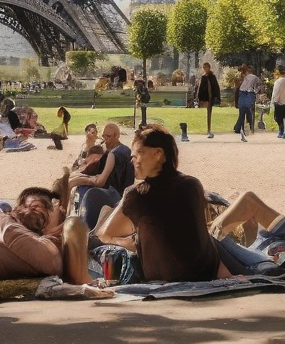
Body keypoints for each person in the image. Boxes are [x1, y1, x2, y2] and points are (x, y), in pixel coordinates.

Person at [96, 125, 230, 282]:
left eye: (139, 153)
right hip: (204, 273)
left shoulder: (138, 194)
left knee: (97, 243)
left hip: (168, 279)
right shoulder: (193, 185)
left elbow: (104, 234)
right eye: (133, 157)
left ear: (158, 154)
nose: (134, 161)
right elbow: (200, 239)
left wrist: (128, 243)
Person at [69, 122, 134, 229]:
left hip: (116, 193)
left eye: (109, 136)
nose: (106, 139)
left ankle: (81, 227)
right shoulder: (126, 150)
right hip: (123, 193)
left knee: (84, 189)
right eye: (104, 136)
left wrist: (80, 180)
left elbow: (101, 181)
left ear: (117, 136)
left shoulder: (113, 154)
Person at [234, 65, 262, 142]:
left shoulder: (243, 78)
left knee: (242, 112)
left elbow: (237, 89)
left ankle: (241, 128)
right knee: (249, 111)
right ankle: (248, 128)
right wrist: (255, 92)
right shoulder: (255, 78)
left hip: (243, 93)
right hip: (249, 93)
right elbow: (259, 86)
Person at [197, 62, 220, 139]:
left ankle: (209, 129)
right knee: (207, 113)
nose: (205, 69)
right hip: (205, 97)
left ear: (209, 68)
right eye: (204, 68)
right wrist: (199, 97)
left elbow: (216, 87)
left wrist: (217, 97)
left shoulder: (212, 77)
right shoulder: (203, 77)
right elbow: (201, 88)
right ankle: (208, 130)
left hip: (211, 97)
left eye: (206, 67)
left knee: (209, 113)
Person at [271, 66, 285, 139]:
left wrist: (274, 101)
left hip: (279, 102)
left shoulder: (278, 81)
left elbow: (276, 92)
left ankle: (282, 131)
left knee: (278, 118)